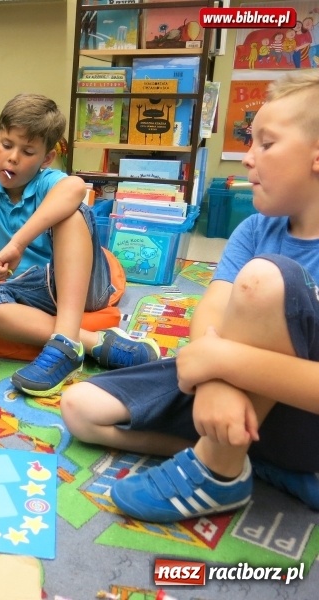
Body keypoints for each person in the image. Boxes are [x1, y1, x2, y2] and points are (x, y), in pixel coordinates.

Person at [60, 70, 319, 523]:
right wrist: (215, 384)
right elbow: (211, 313)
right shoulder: (255, 228)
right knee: (81, 409)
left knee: (265, 279)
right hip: (234, 390)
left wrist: (222, 365)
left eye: (266, 143)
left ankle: (218, 471)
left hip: (301, 414)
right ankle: (241, 457)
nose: (247, 159)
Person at [0, 93, 160, 398]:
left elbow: (76, 187)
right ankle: (91, 343)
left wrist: (18, 243)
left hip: (80, 286)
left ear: (46, 159)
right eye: (7, 145)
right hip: (27, 290)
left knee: (72, 213)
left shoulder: (48, 182)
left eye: (27, 152)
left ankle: (64, 344)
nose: (12, 158)